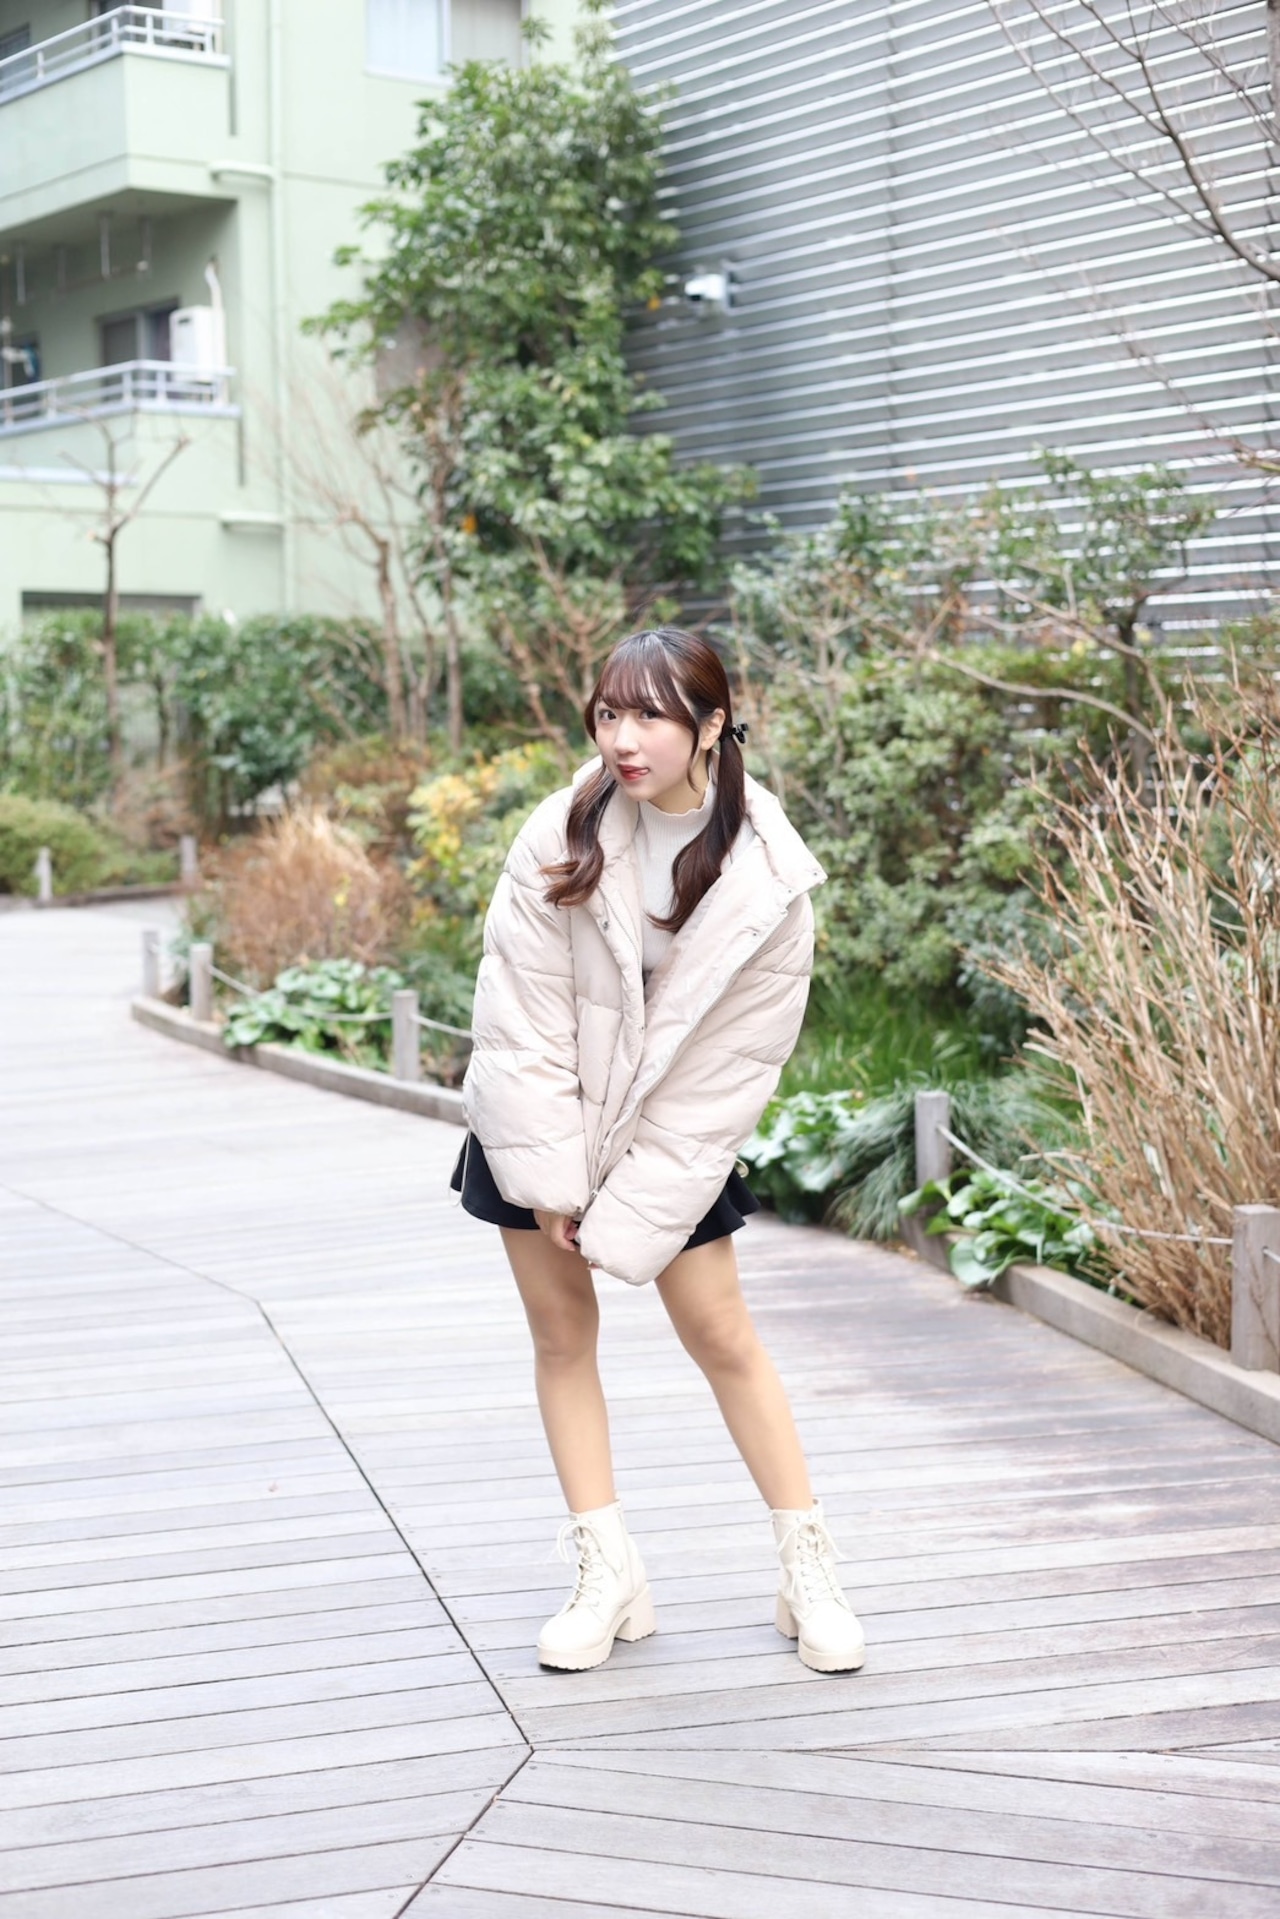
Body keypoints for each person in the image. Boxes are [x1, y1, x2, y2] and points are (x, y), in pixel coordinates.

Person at [452, 626, 864, 1676]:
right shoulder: (561, 828)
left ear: (712, 725)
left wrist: (628, 1209)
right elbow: (520, 1012)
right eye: (608, 714)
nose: (622, 739)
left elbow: (727, 1074)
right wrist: (551, 1183)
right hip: (537, 1119)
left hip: (673, 1143)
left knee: (722, 1335)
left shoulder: (770, 880)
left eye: (649, 716)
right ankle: (608, 1572)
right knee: (560, 1335)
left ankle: (807, 1568)